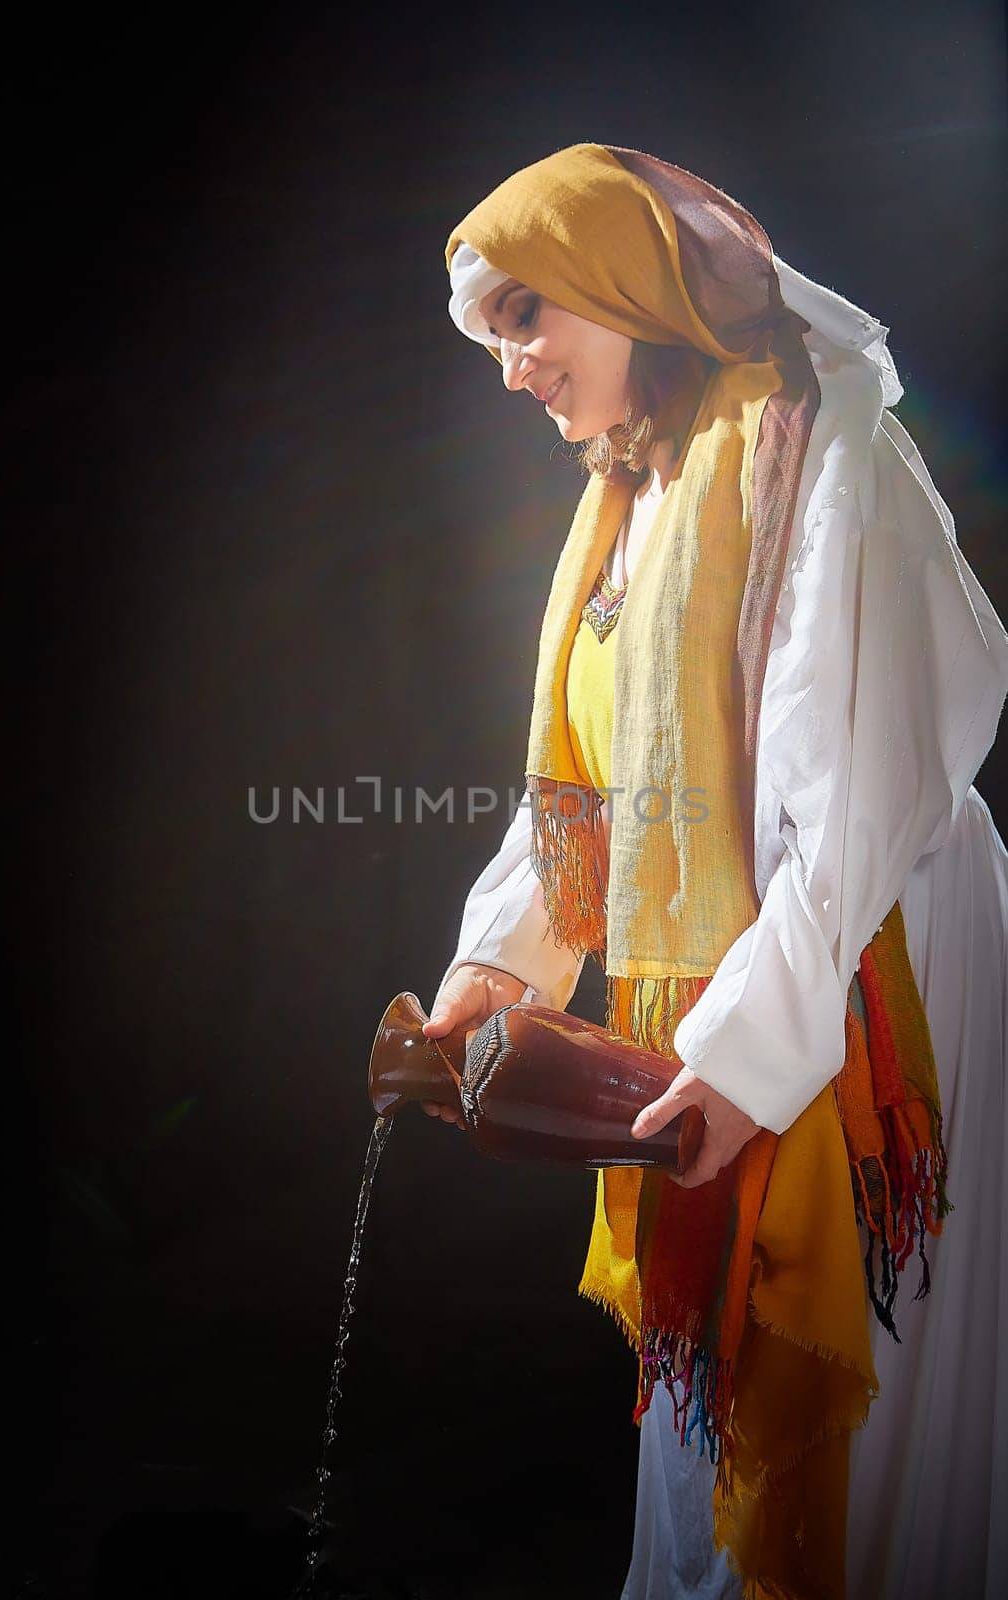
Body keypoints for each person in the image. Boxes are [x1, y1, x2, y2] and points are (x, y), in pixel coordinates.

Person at [419, 144, 1007, 1600]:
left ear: (622, 281)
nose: (511, 369)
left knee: (851, 1367)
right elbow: (577, 797)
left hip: (869, 973)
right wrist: (487, 978)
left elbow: (857, 803)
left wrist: (747, 1058)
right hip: (744, 980)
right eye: (494, 336)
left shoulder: (816, 449)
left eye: (524, 321)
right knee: (712, 1406)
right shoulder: (629, 490)